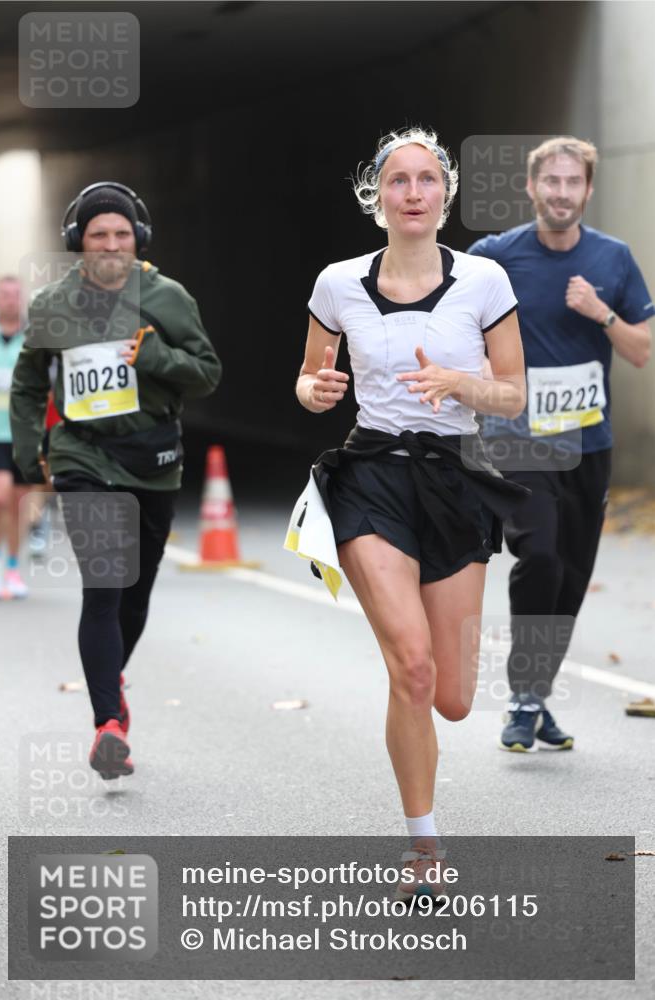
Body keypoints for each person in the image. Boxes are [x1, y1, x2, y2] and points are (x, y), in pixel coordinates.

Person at [293, 128, 529, 898]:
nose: (414, 193)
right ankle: (424, 849)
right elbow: (308, 377)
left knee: (455, 698)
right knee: (413, 666)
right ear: (377, 197)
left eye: (427, 180)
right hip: (370, 476)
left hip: (454, 479)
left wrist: (460, 386)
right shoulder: (336, 284)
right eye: (399, 181)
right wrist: (315, 393)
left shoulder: (485, 281)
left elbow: (513, 393)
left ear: (445, 195)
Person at [10, 182, 222, 778]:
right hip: (82, 456)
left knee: (135, 593)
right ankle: (107, 724)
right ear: (79, 241)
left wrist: (155, 359)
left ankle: (112, 685)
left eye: (121, 234)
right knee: (104, 586)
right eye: (98, 234)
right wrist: (33, 454)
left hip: (153, 461)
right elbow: (29, 382)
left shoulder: (167, 298)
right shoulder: (53, 304)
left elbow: (207, 373)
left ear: (139, 240)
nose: (110, 244)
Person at [468, 137, 653, 751]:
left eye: (574, 183)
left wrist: (601, 314)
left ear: (589, 190)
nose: (562, 193)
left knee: (571, 574)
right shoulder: (496, 259)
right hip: (520, 440)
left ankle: (534, 697)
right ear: (531, 187)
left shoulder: (614, 259)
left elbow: (641, 350)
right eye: (552, 182)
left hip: (588, 443)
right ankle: (523, 697)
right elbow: (456, 323)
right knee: (540, 554)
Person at [0, 276, 31, 599]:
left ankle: (13, 568)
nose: (9, 300)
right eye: (4, 295)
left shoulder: (33, 340)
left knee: (18, 505)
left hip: (25, 434)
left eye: (15, 295)